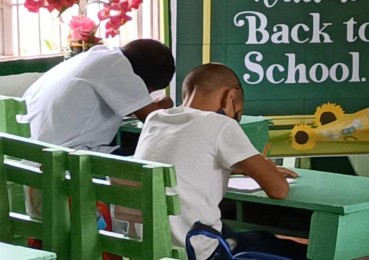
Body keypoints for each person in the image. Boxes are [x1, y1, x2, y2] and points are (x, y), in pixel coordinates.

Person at [128, 63, 307, 259]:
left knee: (244, 235)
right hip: (195, 250)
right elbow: (278, 190)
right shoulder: (221, 124)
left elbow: (186, 164)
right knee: (291, 249)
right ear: (230, 96)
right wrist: (262, 169)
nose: (235, 119)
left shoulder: (155, 119)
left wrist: (243, 168)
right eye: (237, 113)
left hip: (145, 246)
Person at [21, 38, 175, 154]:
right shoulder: (116, 66)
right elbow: (155, 119)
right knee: (156, 160)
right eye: (148, 90)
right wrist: (165, 101)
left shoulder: (98, 55)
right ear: (140, 79)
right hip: (62, 157)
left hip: (30, 154)